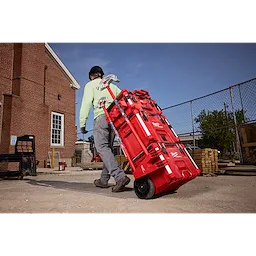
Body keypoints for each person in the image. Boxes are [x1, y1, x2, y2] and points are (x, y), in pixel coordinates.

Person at [79, 66, 131, 192]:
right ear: (101, 75)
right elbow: (124, 98)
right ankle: (103, 180)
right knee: (108, 149)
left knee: (102, 148)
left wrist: (82, 123)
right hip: (114, 119)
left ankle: (119, 177)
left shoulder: (90, 85)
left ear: (92, 76)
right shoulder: (111, 85)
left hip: (101, 117)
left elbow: (86, 103)